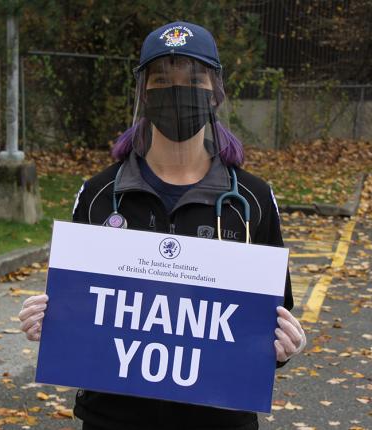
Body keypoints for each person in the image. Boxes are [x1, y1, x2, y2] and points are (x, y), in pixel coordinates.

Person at [19, 21, 306, 430]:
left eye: (193, 78)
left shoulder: (252, 200)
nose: (178, 91)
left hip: (220, 420)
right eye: (161, 80)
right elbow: (81, 311)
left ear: (216, 90)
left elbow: (273, 322)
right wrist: (49, 320)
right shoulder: (99, 194)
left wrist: (286, 346)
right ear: (142, 93)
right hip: (113, 419)